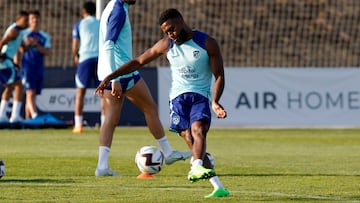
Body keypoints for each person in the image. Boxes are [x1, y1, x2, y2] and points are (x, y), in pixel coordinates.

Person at [95, 8, 230, 198]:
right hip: (177, 99)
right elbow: (138, 62)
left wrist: (215, 101)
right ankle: (217, 186)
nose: (170, 34)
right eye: (166, 32)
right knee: (190, 140)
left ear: (181, 21)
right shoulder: (166, 45)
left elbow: (219, 76)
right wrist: (111, 76)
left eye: (172, 29)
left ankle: (197, 165)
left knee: (198, 130)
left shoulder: (207, 43)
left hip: (200, 96)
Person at [94, 0, 191, 177]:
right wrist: (114, 77)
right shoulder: (118, 11)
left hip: (114, 72)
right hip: (120, 73)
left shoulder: (114, 6)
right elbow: (109, 44)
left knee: (114, 118)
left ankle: (102, 166)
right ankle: (167, 153)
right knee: (147, 109)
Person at [72, 1, 104, 133]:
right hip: (99, 60)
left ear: (83, 11)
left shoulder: (79, 24)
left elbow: (75, 45)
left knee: (80, 93)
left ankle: (78, 125)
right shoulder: (100, 23)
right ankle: (104, 124)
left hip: (85, 59)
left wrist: (76, 56)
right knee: (103, 94)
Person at [19, 10, 51, 120]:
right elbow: (20, 50)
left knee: (33, 94)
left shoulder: (44, 36)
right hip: (27, 67)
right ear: (29, 21)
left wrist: (36, 45)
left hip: (39, 67)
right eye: (32, 18)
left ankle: (29, 120)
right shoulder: (23, 34)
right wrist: (27, 44)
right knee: (30, 92)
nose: (35, 20)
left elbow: (47, 52)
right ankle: (35, 116)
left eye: (36, 18)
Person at [0, 10, 29, 123]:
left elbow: (22, 49)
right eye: (25, 21)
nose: (26, 23)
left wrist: (30, 45)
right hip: (5, 62)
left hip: (8, 62)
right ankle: (15, 116)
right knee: (19, 86)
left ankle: (2, 116)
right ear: (18, 20)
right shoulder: (14, 31)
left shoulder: (20, 32)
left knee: (10, 87)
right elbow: (2, 42)